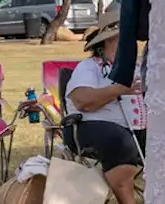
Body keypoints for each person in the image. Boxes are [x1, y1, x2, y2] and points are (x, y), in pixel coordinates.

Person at [65, 11, 146, 204]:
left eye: (128, 40)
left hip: (138, 129)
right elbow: (82, 100)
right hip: (89, 127)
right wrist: (117, 89)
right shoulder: (89, 67)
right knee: (118, 140)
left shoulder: (138, 67)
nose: (126, 46)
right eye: (117, 40)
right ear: (103, 45)